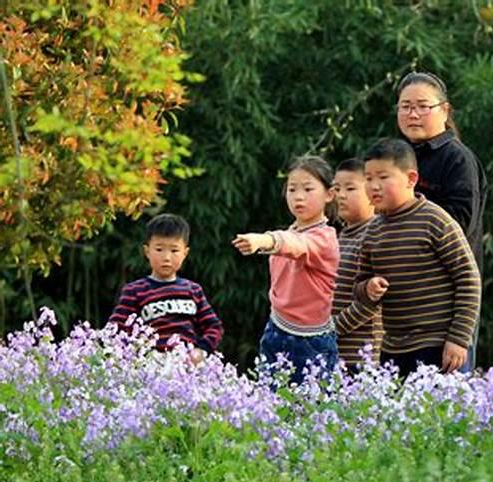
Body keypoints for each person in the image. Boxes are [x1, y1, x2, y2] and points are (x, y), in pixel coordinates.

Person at [354, 138, 481, 378]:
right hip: (393, 348)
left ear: (411, 179)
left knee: (442, 414)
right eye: (368, 178)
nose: (374, 186)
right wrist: (368, 288)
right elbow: (360, 284)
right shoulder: (372, 230)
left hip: (439, 344)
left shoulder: (435, 220)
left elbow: (469, 279)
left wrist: (459, 338)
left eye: (383, 177)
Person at [395, 71, 487, 372]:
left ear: (444, 111)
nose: (413, 114)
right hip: (403, 309)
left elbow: (461, 221)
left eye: (423, 106)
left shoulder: (457, 159)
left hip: (446, 307)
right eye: (406, 106)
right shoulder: (395, 159)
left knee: (445, 411)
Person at [232, 156, 339, 385]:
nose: (298, 196)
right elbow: (288, 240)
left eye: (308, 189)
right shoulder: (291, 232)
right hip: (276, 328)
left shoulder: (325, 237)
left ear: (329, 194)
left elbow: (294, 245)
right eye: (292, 189)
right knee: (270, 405)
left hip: (311, 340)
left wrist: (263, 240)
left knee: (311, 411)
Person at [108, 213, 223, 364]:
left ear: (185, 253)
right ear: (147, 251)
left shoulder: (193, 290)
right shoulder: (134, 291)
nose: (166, 257)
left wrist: (201, 350)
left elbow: (214, 326)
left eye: (174, 250)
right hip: (150, 365)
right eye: (159, 249)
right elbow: (115, 329)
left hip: (187, 367)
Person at [331, 158, 383, 371]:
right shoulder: (340, 236)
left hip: (362, 355)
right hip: (335, 352)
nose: (341, 195)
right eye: (337, 188)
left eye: (350, 188)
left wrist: (331, 329)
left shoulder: (377, 233)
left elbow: (373, 301)